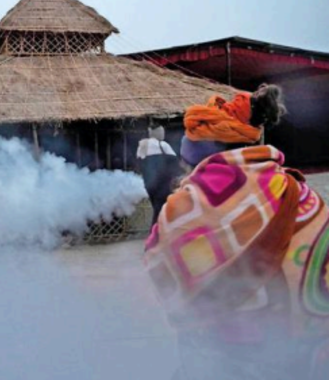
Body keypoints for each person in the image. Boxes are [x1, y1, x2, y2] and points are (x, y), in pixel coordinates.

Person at [144, 84, 329, 379]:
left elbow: (163, 272)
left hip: (221, 359)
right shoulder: (303, 194)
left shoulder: (183, 209)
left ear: (196, 158)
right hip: (306, 356)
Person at [136, 125, 181, 226]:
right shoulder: (163, 145)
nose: (163, 134)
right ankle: (156, 233)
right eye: (161, 132)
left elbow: (139, 164)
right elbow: (174, 163)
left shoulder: (142, 146)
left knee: (157, 207)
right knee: (162, 208)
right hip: (163, 183)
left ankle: (158, 231)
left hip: (149, 184)